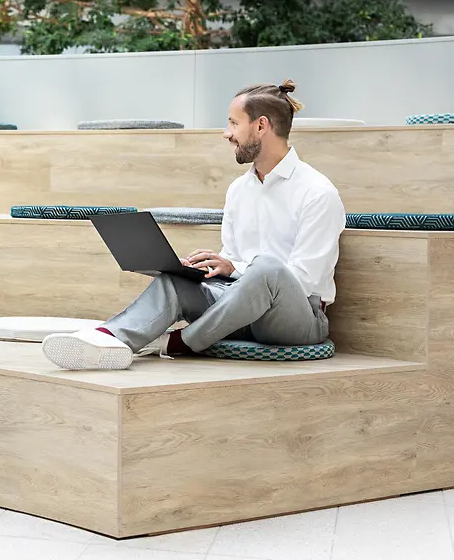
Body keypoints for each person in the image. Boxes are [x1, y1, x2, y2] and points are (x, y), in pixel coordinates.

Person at [42, 79, 346, 370]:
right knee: (176, 281)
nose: (226, 133)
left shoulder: (317, 192)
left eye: (233, 123)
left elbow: (304, 279)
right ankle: (109, 340)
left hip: (295, 320)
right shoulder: (239, 190)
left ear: (261, 126)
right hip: (238, 311)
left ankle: (183, 341)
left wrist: (235, 268)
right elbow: (233, 263)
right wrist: (207, 271)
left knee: (267, 269)